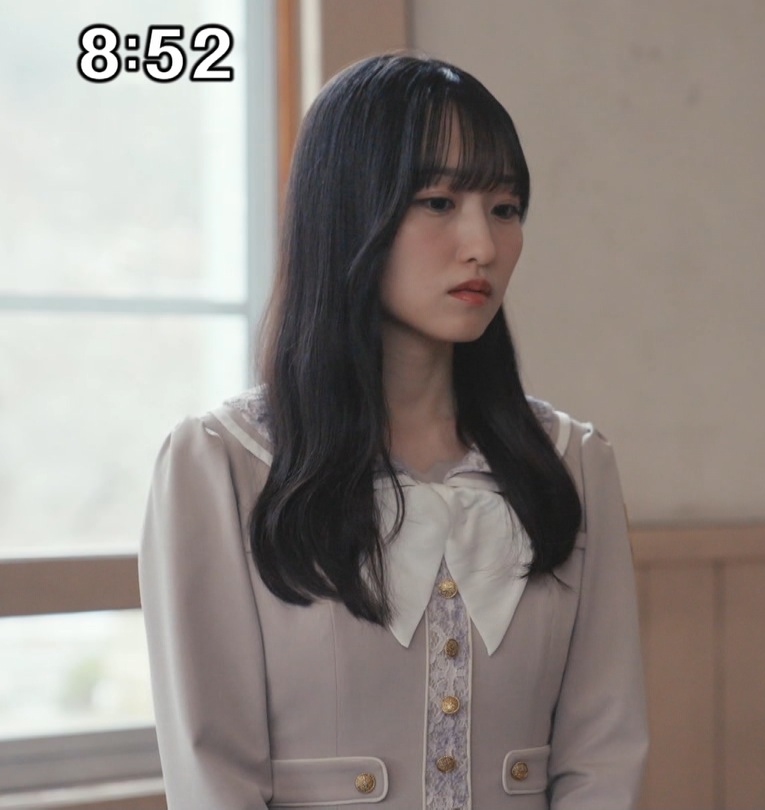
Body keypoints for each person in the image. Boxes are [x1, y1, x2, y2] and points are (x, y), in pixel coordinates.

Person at [138, 53, 647, 809]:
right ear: (346, 211)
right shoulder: (220, 466)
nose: (482, 244)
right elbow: (214, 779)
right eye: (439, 201)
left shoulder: (572, 462)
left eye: (505, 208)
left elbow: (604, 753)